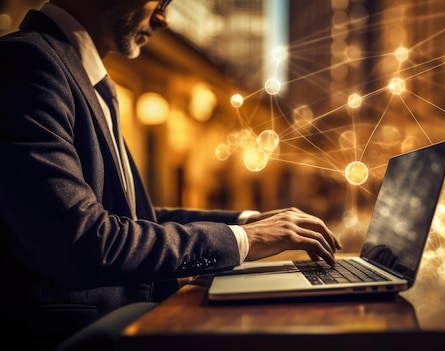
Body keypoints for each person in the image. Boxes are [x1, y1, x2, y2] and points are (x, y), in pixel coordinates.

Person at [0, 0, 341, 348]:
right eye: (160, 2)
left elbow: (130, 219)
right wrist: (243, 240)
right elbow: (85, 241)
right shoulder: (27, 64)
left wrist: (249, 222)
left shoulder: (81, 76)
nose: (164, 18)